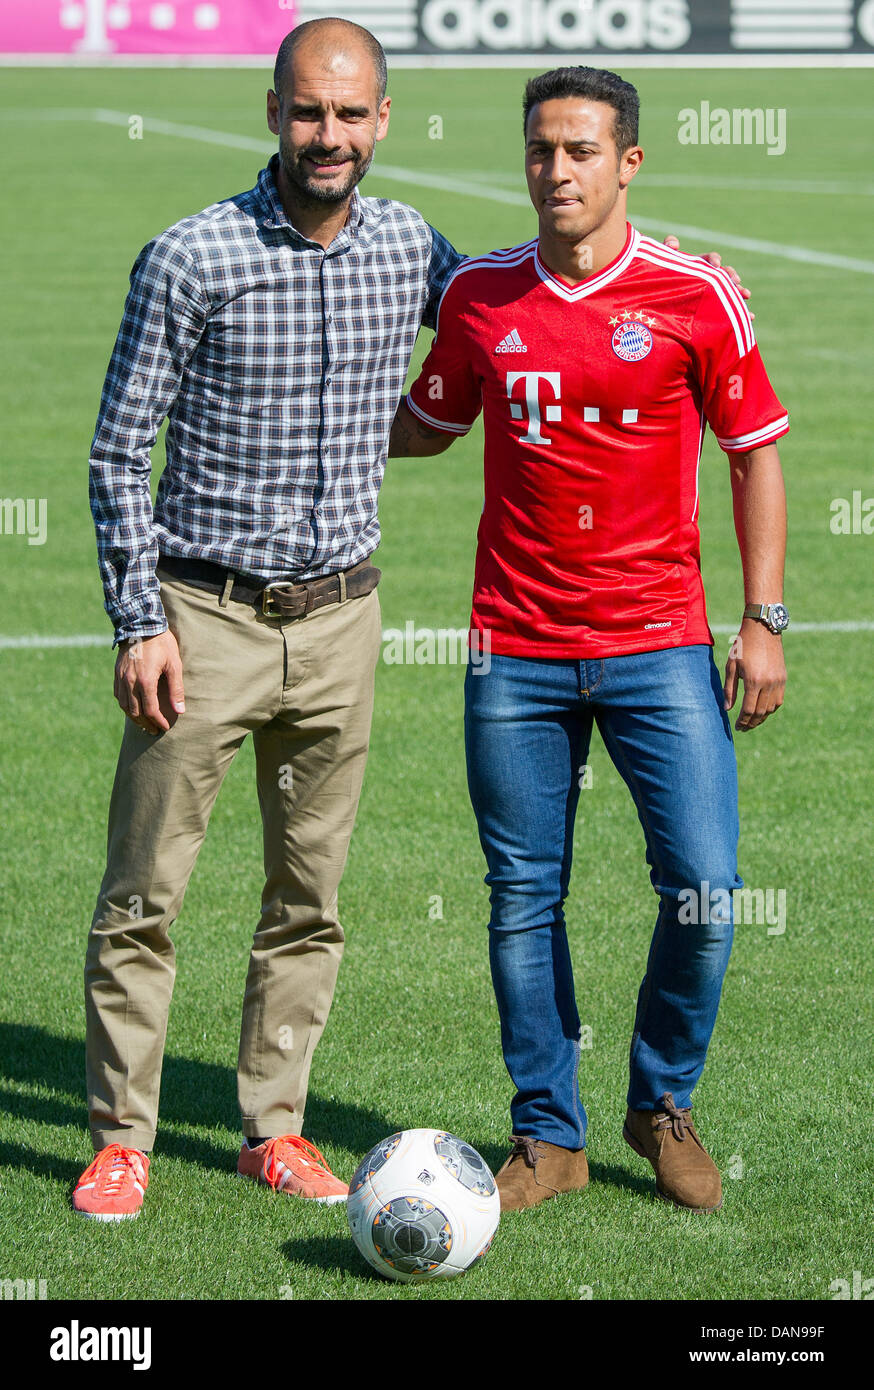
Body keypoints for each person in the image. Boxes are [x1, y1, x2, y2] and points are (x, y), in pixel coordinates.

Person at [76, 19, 752, 1221]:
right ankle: (122, 1135)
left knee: (309, 898)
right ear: (273, 111)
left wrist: (675, 268)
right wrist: (139, 619)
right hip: (204, 615)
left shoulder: (414, 252)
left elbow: (543, 293)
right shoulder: (189, 256)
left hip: (343, 622)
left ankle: (271, 1128)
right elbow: (118, 450)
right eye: (306, 112)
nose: (327, 136)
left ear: (383, 121)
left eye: (350, 115)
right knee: (147, 892)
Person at [390, 65, 789, 1213]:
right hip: (512, 648)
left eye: (578, 151)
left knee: (706, 885)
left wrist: (762, 622)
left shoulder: (694, 293)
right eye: (538, 151)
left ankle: (659, 1102)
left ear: (628, 163)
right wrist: (314, 418)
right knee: (522, 894)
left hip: (660, 642)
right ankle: (547, 1134)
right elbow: (429, 423)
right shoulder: (478, 296)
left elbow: (752, 451)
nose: (555, 171)